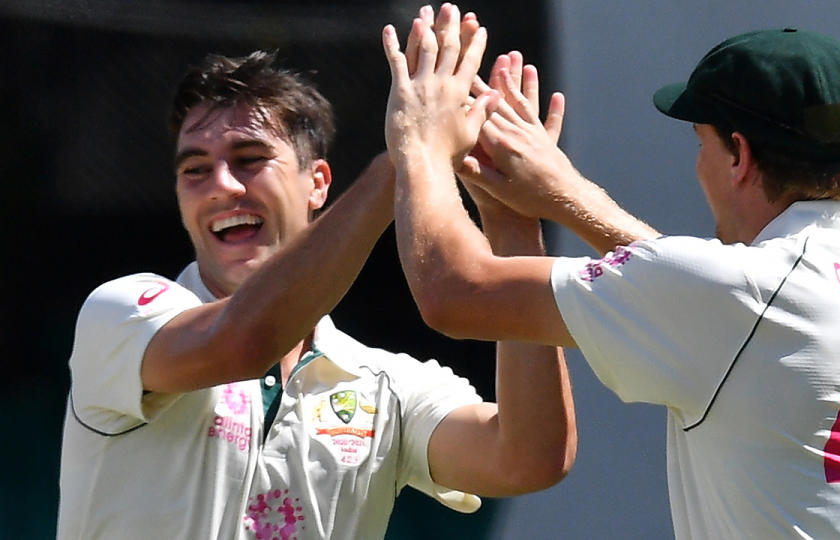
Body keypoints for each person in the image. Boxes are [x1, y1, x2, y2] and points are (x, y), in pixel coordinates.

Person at [383, 4, 840, 538]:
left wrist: (420, 141)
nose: (698, 160)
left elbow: (451, 292)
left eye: (700, 140)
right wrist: (537, 208)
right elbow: (712, 301)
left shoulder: (744, 296)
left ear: (739, 155)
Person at [57, 47, 576, 539]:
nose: (222, 184)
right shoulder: (121, 313)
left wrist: (511, 223)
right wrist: (406, 158)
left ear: (318, 183)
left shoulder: (385, 385)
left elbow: (527, 457)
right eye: (194, 169)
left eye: (249, 158)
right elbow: (240, 342)